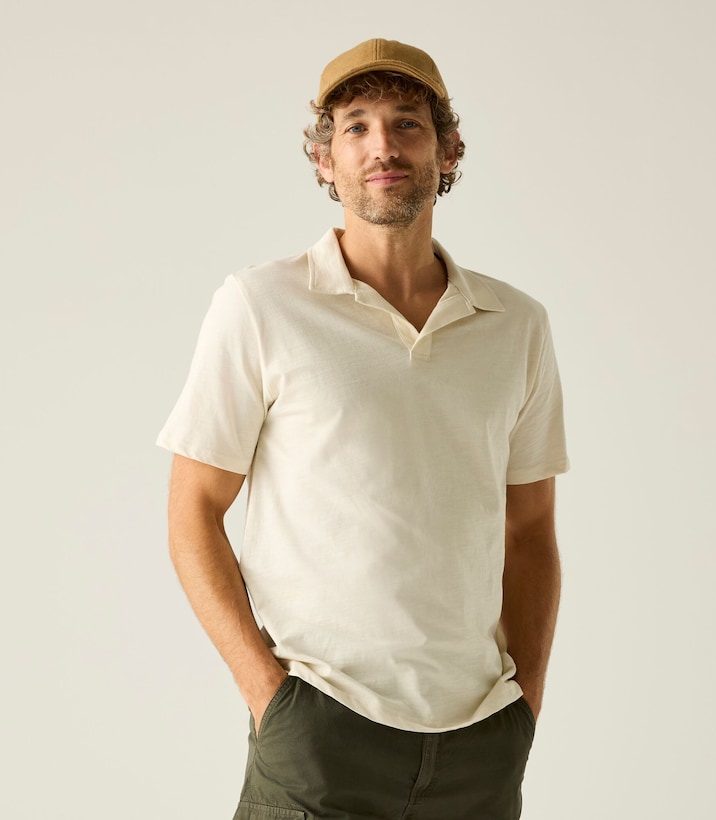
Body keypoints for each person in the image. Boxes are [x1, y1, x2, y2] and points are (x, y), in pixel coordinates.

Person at [158, 37, 569, 820]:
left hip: (481, 741)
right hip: (319, 729)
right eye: (356, 127)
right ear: (324, 159)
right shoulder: (261, 306)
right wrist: (269, 695)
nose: (383, 147)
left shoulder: (516, 325)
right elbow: (193, 514)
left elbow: (532, 531)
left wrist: (526, 704)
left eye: (408, 123)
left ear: (449, 151)